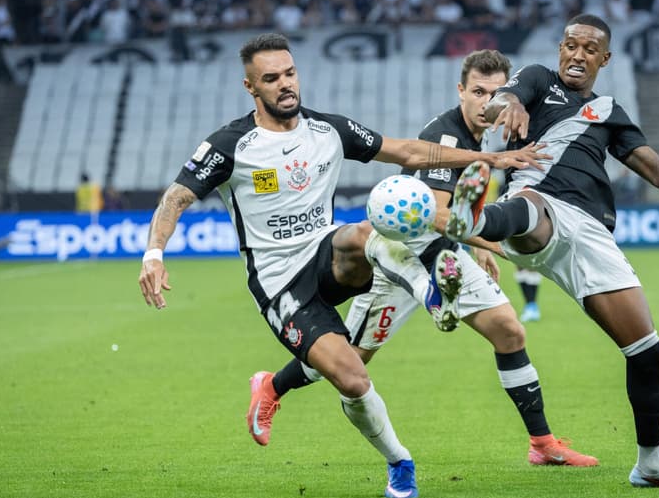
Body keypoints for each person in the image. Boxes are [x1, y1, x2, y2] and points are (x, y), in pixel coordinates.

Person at [137, 33, 545, 498]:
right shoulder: (231, 145)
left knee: (372, 225)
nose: (285, 84)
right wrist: (155, 253)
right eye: (271, 79)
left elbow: (407, 152)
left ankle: (434, 295)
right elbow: (176, 197)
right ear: (251, 87)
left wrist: (486, 157)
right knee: (352, 378)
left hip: (328, 252)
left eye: (289, 73)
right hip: (280, 283)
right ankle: (399, 462)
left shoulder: (327, 130)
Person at [445, 14, 659, 488]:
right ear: (560, 49)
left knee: (647, 350)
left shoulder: (610, 112)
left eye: (589, 49)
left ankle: (652, 463)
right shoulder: (537, 80)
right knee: (530, 205)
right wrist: (505, 105)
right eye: (570, 45)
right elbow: (502, 102)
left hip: (592, 235)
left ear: (605, 59)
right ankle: (475, 219)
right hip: (536, 207)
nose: (577, 55)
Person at [247, 49, 597, 468]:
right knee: (349, 361)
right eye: (478, 92)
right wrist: (493, 242)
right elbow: (433, 212)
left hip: (443, 254)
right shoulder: (446, 137)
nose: (488, 103)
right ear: (460, 91)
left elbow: (457, 218)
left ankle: (542, 444)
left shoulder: (482, 138)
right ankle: (271, 386)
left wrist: (470, 246)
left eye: (496, 93)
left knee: (509, 331)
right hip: (399, 257)